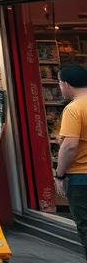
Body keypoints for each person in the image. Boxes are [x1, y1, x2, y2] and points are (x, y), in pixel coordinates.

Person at [56, 64, 87, 251]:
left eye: (59, 83)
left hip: (81, 178)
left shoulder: (74, 109)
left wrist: (59, 175)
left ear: (67, 84)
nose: (60, 88)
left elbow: (69, 146)